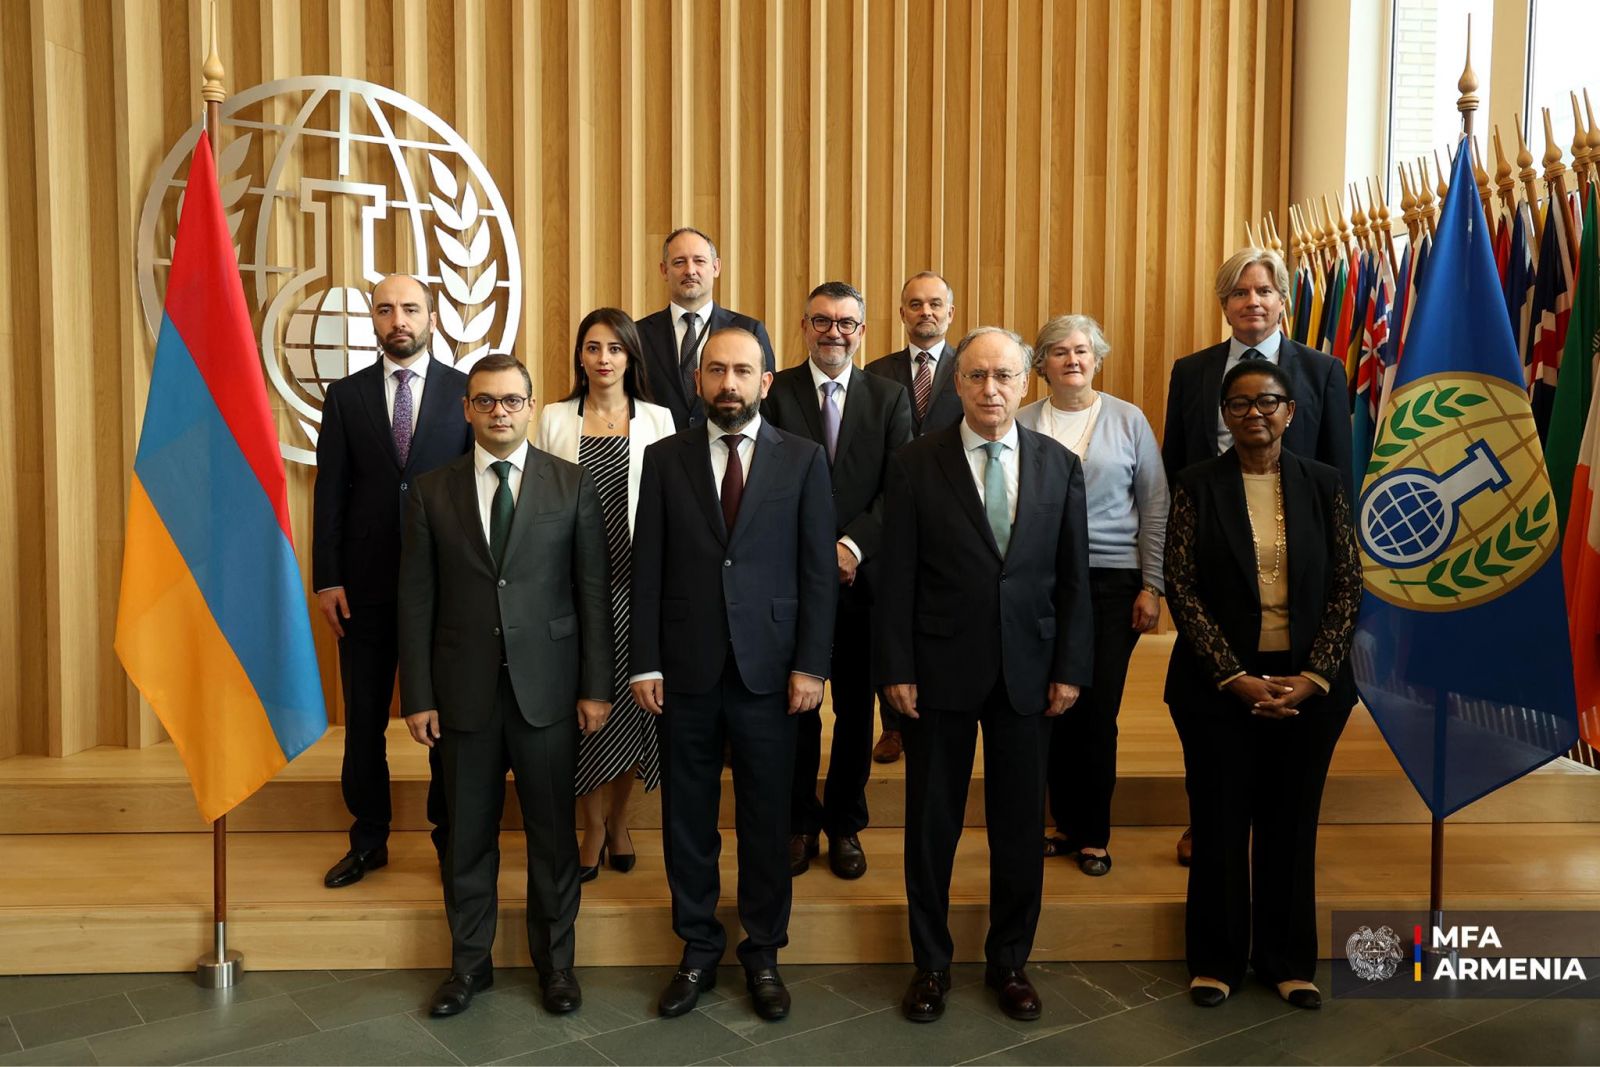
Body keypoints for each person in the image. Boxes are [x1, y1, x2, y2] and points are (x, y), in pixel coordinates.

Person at [875, 327, 1092, 1025]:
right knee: (931, 826)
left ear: (1025, 382)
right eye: (976, 376)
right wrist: (895, 668)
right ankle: (931, 964)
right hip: (937, 672)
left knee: (1019, 826)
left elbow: (1074, 578)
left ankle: (1010, 962)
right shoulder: (915, 463)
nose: (990, 388)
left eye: (1003, 375)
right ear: (957, 383)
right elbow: (895, 577)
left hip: (1030, 672)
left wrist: (1070, 667)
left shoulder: (1059, 465)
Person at [397, 353, 613, 1018]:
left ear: (530, 406)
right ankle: (469, 966)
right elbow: (416, 599)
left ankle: (556, 966)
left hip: (549, 691)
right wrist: (418, 695)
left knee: (552, 837)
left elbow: (592, 593)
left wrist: (596, 687)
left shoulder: (571, 483)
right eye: (485, 400)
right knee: (467, 836)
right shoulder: (430, 491)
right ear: (467, 409)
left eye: (511, 400)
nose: (499, 411)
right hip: (461, 695)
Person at [630, 327, 837, 1022]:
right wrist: (645, 660)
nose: (728, 383)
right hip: (684, 671)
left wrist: (811, 664)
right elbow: (648, 566)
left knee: (766, 819)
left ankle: (764, 952)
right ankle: (696, 948)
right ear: (697, 380)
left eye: (742, 371)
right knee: (687, 820)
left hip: (772, 673)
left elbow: (817, 573)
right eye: (715, 370)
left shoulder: (803, 459)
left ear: (766, 382)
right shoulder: (665, 458)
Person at [1163, 360, 1359, 1012]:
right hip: (1216, 689)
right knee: (1219, 824)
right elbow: (1182, 586)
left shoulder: (1324, 483)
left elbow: (1347, 582)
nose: (1255, 412)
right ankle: (1215, 961)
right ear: (1225, 415)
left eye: (1268, 401)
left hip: (1310, 689)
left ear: (1290, 411)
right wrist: (1234, 676)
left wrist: (1314, 676)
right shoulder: (1196, 484)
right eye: (1240, 403)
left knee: (1291, 826)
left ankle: (1287, 961)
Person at [1161, 246, 1352, 867]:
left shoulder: (1321, 370)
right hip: (1215, 565)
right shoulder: (1192, 371)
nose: (1252, 302)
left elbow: (1338, 472)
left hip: (1294, 560)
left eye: (1264, 291)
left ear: (1282, 301)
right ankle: (1207, 821)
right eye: (1239, 292)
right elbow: (1175, 464)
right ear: (1224, 304)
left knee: (1289, 800)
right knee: (1213, 738)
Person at [312, 273, 472, 888]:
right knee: (364, 721)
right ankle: (368, 838)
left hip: (446, 587)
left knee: (446, 720)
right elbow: (330, 491)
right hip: (365, 587)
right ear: (374, 320)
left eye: (409, 308)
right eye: (385, 310)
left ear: (431, 316)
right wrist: (328, 577)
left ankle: (450, 839)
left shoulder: (465, 392)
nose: (398, 320)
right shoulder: (345, 396)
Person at [762, 282, 913, 879]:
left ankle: (845, 823)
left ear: (862, 331)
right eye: (821, 321)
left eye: (846, 322)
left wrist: (850, 546)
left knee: (855, 712)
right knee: (797, 708)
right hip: (791, 582)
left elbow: (898, 487)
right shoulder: (776, 393)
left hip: (863, 584)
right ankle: (798, 821)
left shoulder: (889, 397)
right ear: (804, 327)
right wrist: (813, 552)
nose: (834, 332)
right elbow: (763, 480)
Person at [1017, 314, 1167, 878]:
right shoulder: (1022, 420)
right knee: (1049, 705)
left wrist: (1152, 585)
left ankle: (1094, 834)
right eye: (1059, 351)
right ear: (1042, 364)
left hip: (1111, 581)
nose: (1072, 360)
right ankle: (1061, 823)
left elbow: (1155, 506)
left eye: (1081, 350)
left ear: (1097, 359)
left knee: (1097, 711)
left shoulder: (1128, 420)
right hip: (1040, 581)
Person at [534, 308, 677, 881]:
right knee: (584, 710)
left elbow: (673, 505)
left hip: (638, 587)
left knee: (633, 712)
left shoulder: (659, 420)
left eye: (615, 348)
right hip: (572, 588)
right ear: (580, 356)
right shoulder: (554, 418)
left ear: (630, 356)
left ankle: (620, 821)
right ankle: (590, 825)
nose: (603, 358)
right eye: (593, 347)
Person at [864, 271, 963, 764]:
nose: (926, 312)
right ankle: (893, 726)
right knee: (892, 614)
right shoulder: (876, 372)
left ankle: (941, 710)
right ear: (902, 312)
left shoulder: (971, 368)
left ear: (950, 313)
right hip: (894, 511)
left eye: (935, 304)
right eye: (916, 304)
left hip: (953, 511)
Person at [636, 227, 777, 430]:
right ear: (664, 270)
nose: (690, 270)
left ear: (716, 267)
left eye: (699, 261)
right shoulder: (638, 334)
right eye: (679, 262)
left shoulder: (749, 330)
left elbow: (767, 405)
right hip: (658, 447)